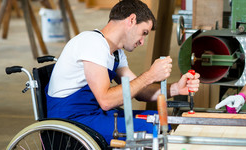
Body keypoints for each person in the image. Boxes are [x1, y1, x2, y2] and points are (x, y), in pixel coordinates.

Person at [46, 0, 200, 142]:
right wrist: (150, 75)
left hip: (92, 114)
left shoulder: (115, 53)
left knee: (157, 118)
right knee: (150, 129)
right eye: (144, 33)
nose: (142, 41)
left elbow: (139, 91)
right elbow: (106, 101)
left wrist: (175, 88)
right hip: (71, 121)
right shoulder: (92, 43)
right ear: (131, 20)